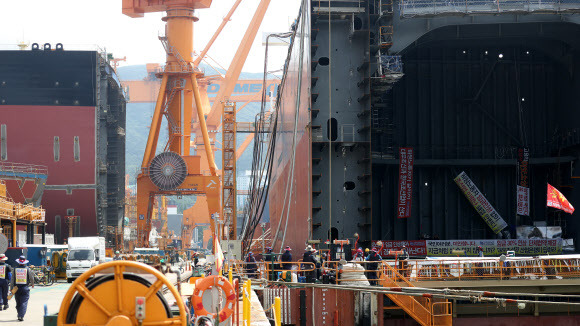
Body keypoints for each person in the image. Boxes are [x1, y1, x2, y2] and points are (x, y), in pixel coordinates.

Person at [11, 256, 34, 321]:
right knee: (24, 302)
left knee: (18, 302)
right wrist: (32, 284)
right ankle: (21, 315)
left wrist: (11, 288)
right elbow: (31, 278)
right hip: (25, 288)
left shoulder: (15, 269)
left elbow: (12, 279)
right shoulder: (27, 269)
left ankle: (19, 314)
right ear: (24, 262)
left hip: (16, 288)